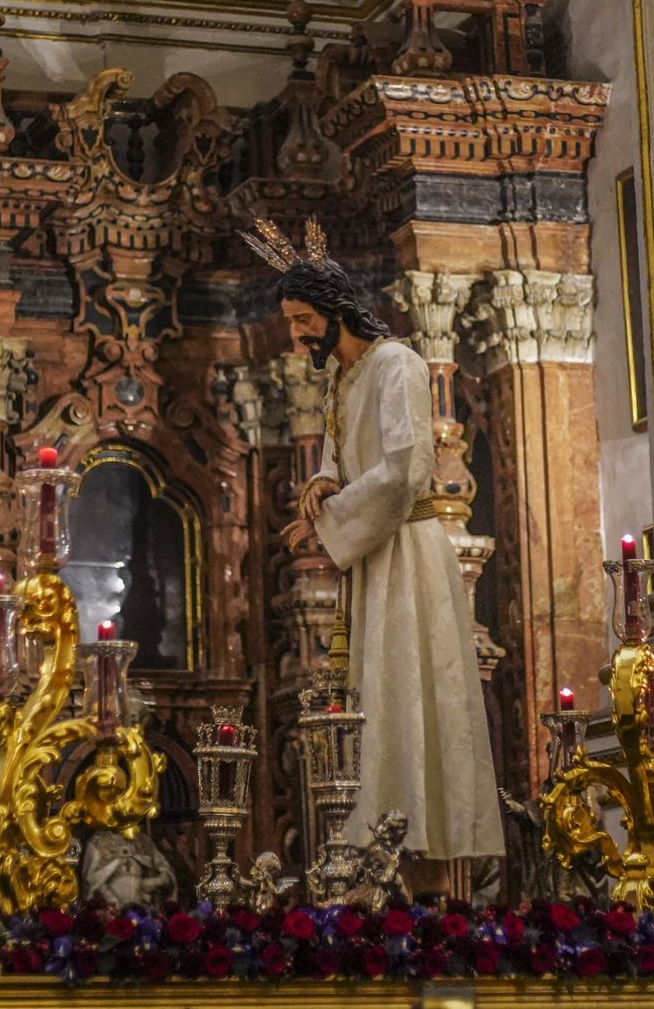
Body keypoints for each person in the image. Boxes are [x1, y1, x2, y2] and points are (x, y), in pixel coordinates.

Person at [249, 217, 504, 880]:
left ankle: (417, 841)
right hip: (372, 556)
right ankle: (381, 840)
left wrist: (330, 517)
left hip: (407, 551)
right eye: (292, 321)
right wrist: (327, 483)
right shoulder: (347, 377)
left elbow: (406, 469)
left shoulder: (396, 363)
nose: (298, 334)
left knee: (407, 689)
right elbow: (351, 458)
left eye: (304, 319)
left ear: (336, 310)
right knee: (379, 693)